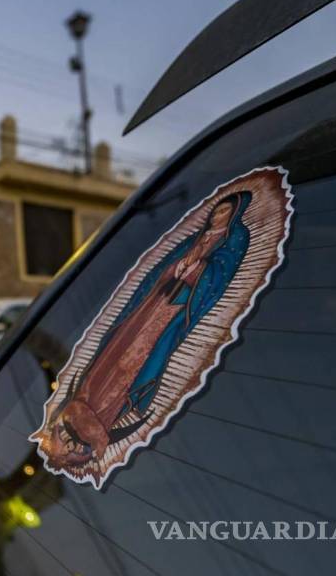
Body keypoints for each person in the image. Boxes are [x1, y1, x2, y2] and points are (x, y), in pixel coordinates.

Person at [38, 192, 250, 468]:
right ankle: (86, 399)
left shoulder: (232, 241)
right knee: (117, 351)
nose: (218, 216)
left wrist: (198, 271)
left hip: (177, 309)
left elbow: (220, 275)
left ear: (233, 216)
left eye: (225, 212)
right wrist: (177, 268)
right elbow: (161, 271)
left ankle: (106, 414)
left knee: (139, 361)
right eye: (217, 210)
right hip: (154, 304)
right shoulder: (193, 240)